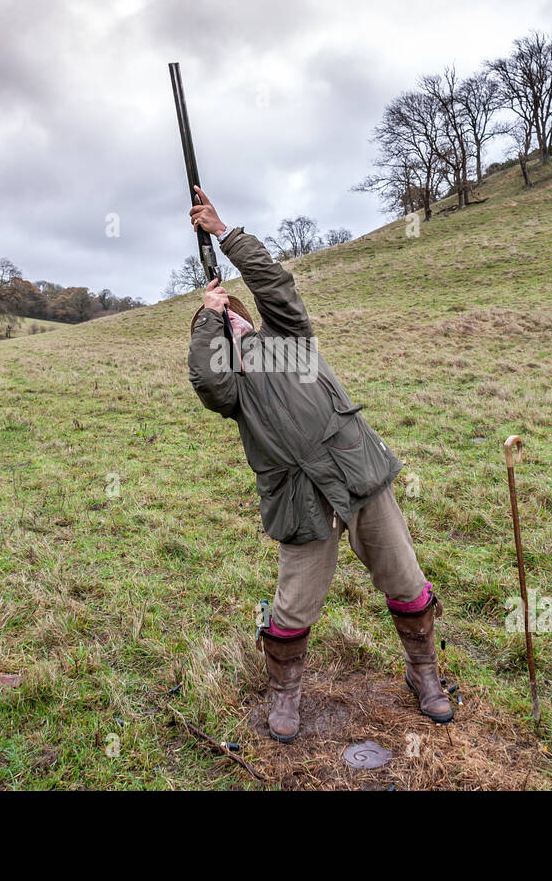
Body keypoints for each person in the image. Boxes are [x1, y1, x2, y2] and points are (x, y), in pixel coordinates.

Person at [185, 186, 452, 743]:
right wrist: (206, 320)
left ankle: (424, 673)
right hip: (298, 496)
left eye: (233, 316)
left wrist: (224, 233)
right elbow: (207, 382)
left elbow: (275, 285)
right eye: (220, 325)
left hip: (357, 472)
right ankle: (285, 695)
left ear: (249, 321)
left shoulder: (289, 341)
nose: (231, 323)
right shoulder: (233, 388)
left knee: (405, 579)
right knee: (293, 606)